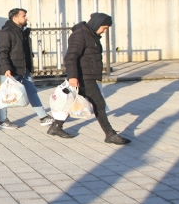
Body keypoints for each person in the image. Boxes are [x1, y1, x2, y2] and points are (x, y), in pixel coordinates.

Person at [55, 12, 131, 145]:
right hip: (83, 77)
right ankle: (110, 134)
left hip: (87, 76)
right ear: (97, 24)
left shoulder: (92, 35)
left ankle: (56, 127)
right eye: (104, 27)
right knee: (99, 104)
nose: (105, 30)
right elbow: (70, 57)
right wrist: (72, 76)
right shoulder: (80, 35)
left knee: (74, 102)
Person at [0, 8, 54, 129]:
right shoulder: (6, 32)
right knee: (5, 95)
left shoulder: (21, 31)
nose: (26, 18)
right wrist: (7, 68)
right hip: (10, 70)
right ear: (15, 18)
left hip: (23, 68)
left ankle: (43, 117)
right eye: (23, 16)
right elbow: (2, 52)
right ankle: (2, 120)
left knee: (32, 91)